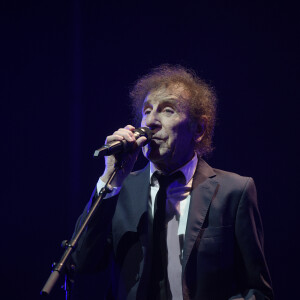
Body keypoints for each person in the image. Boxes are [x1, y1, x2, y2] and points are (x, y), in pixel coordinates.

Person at [71, 65, 273, 300]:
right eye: (147, 111)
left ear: (198, 129)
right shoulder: (119, 191)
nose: (151, 122)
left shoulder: (234, 192)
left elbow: (258, 291)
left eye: (168, 110)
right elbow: (82, 261)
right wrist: (109, 179)